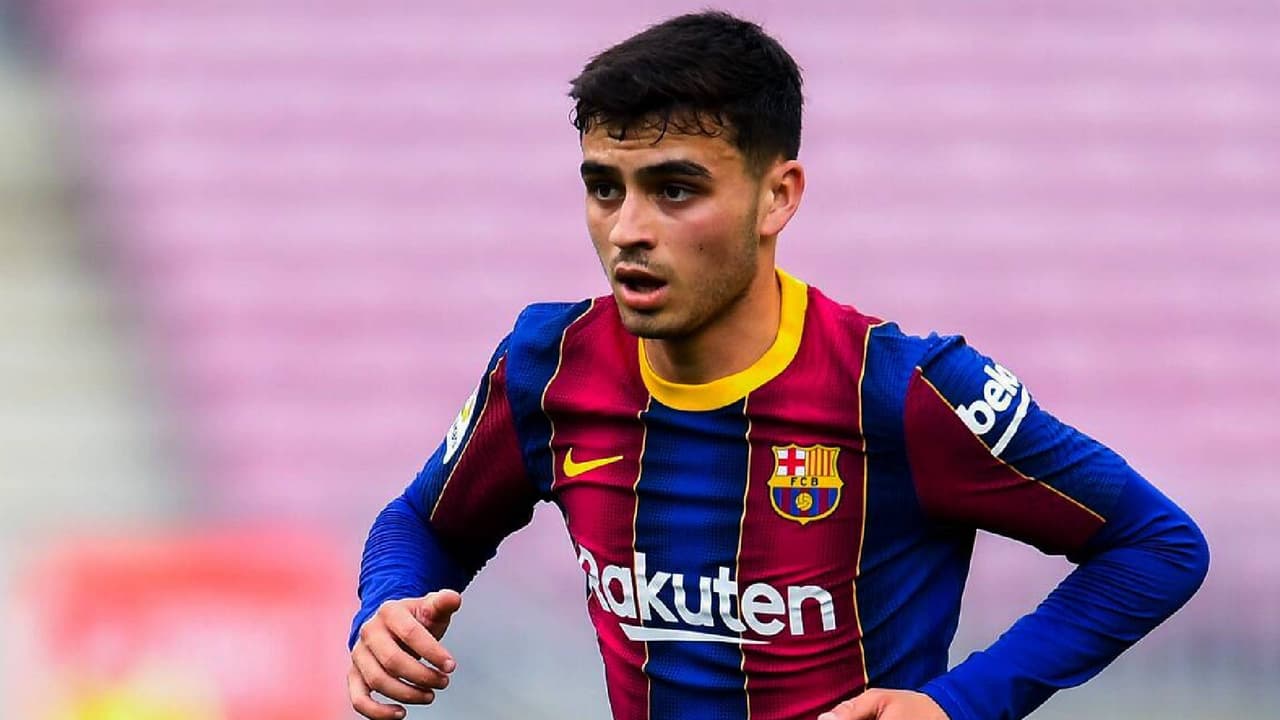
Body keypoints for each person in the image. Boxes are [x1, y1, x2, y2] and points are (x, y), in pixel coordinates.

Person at [346, 11, 1209, 720]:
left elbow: (1156, 544)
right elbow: (424, 522)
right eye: (605, 187)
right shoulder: (548, 366)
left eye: (675, 189)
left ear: (778, 196)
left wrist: (959, 705)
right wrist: (387, 604)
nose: (628, 229)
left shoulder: (901, 389)